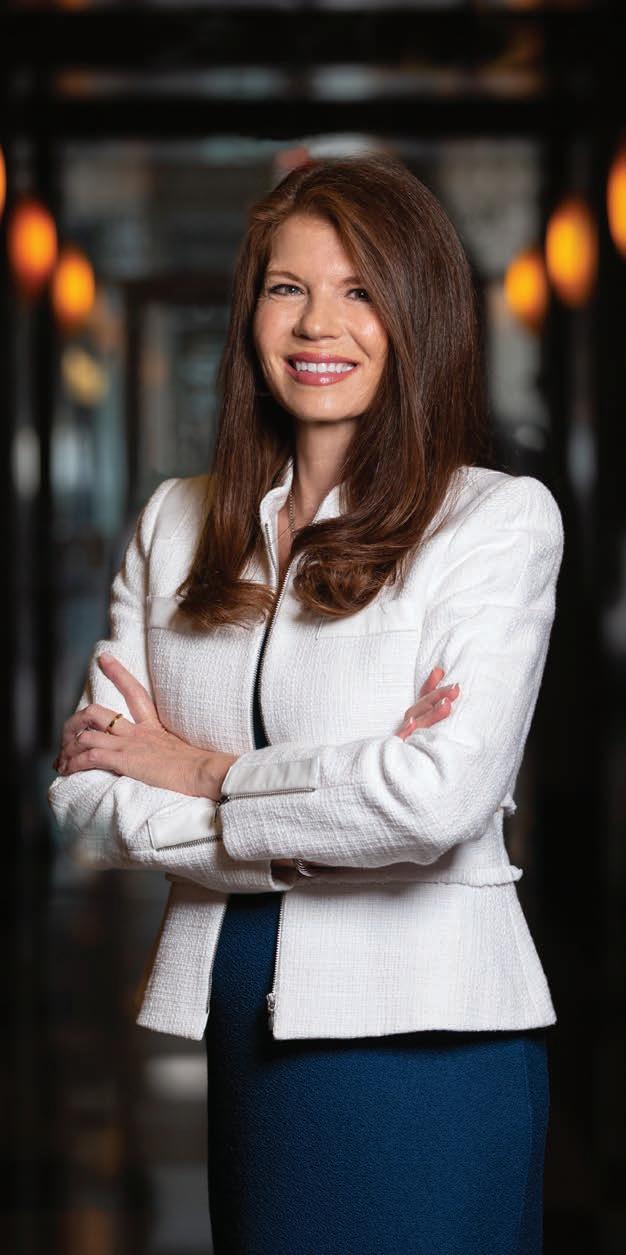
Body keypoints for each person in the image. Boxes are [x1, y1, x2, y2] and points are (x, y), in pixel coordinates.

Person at [48, 153, 564, 1255]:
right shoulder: (174, 522)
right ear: (250, 313)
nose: (317, 323)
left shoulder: (493, 522)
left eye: (360, 289)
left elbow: (433, 802)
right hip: (243, 1019)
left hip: (429, 1041)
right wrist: (332, 813)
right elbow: (89, 795)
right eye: (287, 287)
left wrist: (203, 773)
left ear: (418, 312)